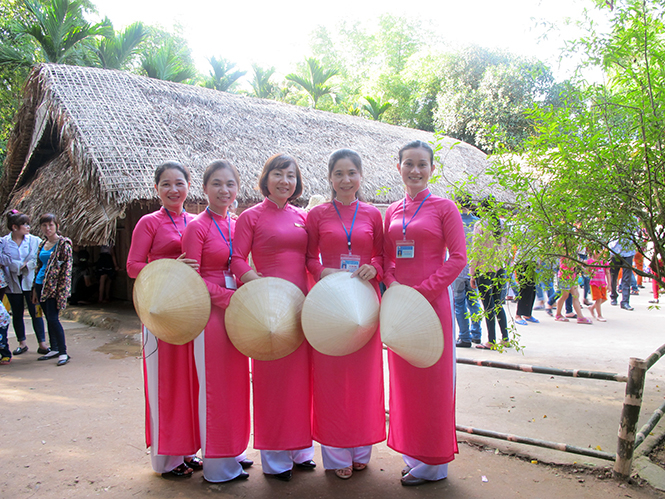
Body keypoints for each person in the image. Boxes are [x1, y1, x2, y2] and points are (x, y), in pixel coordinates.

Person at [383, 140, 466, 486]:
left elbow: (459, 259)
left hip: (432, 306)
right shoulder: (391, 210)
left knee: (432, 382)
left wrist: (423, 292)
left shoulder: (445, 208)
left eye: (422, 164)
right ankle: (412, 455)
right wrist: (392, 285)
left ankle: (432, 464)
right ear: (398, 167)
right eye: (408, 164)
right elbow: (386, 258)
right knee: (405, 383)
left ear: (432, 169)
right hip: (402, 307)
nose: (415, 170)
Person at [230, 153, 315, 482]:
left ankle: (300, 450)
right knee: (271, 383)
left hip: (301, 308)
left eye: (291, 175)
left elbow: (310, 259)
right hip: (268, 312)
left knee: (299, 381)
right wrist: (263, 288)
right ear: (266, 178)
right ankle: (276, 458)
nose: (285, 181)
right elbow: (237, 261)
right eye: (279, 174)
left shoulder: (302, 216)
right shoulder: (250, 217)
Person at [305, 149, 385, 480]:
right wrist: (323, 272)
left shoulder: (372, 214)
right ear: (330, 178)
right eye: (338, 173)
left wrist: (373, 268)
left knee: (364, 379)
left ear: (360, 176)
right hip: (330, 304)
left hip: (363, 306)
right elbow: (308, 258)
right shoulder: (318, 215)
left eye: (352, 172)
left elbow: (381, 256)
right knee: (332, 379)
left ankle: (361, 448)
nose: (345, 179)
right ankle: (337, 455)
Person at [126, 161, 201, 478]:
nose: (174, 189)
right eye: (166, 184)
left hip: (191, 312)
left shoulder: (196, 221)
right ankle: (166, 458)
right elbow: (132, 266)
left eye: (179, 183)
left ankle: (187, 450)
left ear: (188, 186)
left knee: (190, 381)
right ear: (156, 188)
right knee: (165, 383)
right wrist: (169, 267)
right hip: (160, 312)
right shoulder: (148, 223)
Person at [181, 160, 252, 483]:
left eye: (230, 184)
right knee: (215, 387)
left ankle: (234, 449)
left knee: (236, 384)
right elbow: (190, 279)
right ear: (205, 188)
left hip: (237, 314)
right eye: (217, 184)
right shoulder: (197, 227)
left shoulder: (236, 225)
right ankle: (217, 465)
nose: (224, 191)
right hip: (210, 314)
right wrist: (227, 299)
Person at [0, 211, 49, 356]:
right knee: (17, 312)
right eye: (25, 224)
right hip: (13, 281)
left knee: (36, 312)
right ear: (15, 227)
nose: (28, 227)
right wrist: (16, 265)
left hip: (31, 281)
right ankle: (22, 343)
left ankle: (42, 343)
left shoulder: (35, 240)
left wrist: (27, 265)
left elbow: (40, 258)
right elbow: (3, 260)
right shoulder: (3, 242)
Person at [32, 214, 73, 366]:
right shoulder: (43, 243)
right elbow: (38, 266)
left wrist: (62, 292)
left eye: (50, 225)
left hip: (54, 287)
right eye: (44, 226)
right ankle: (54, 348)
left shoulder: (63, 244)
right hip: (39, 284)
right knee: (47, 317)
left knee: (53, 318)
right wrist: (34, 290)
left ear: (56, 225)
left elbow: (66, 272)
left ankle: (63, 351)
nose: (47, 228)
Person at [469, 196, 510, 349]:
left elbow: (476, 250)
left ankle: (491, 341)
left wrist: (472, 274)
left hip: (484, 269)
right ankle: (505, 338)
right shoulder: (502, 224)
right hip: (500, 268)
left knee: (488, 305)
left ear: (483, 208)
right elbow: (507, 248)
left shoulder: (481, 225)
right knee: (498, 304)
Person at [453, 194, 483, 347]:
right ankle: (476, 334)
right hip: (474, 268)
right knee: (474, 302)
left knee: (459, 303)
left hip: (457, 269)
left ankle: (464, 336)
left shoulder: (454, 221)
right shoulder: (478, 223)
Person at [553, 257, 592, 324]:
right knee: (564, 295)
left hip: (572, 276)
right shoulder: (566, 250)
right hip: (565, 276)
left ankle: (580, 317)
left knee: (576, 295)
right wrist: (581, 263)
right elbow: (570, 262)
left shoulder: (573, 251)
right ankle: (558, 315)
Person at [609, 237, 636, 310]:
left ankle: (625, 301)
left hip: (628, 251)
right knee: (613, 276)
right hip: (615, 250)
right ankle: (613, 296)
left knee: (627, 277)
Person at [586, 252, 609, 322]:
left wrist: (609, 284)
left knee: (604, 298)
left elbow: (608, 273)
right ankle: (599, 315)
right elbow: (587, 272)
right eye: (597, 252)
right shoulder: (590, 261)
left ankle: (592, 307)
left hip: (602, 283)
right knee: (598, 299)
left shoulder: (604, 262)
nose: (599, 254)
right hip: (594, 283)